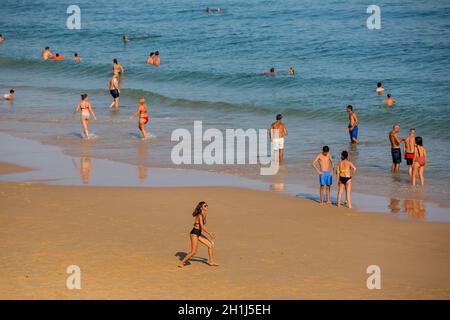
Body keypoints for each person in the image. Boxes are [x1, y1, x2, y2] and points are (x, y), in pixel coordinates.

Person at [178, 201, 219, 268]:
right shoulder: (199, 215)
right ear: (201, 208)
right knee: (194, 251)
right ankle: (181, 262)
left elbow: (203, 226)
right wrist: (209, 234)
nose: (207, 207)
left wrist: (210, 232)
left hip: (198, 233)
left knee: (210, 245)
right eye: (205, 206)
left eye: (207, 205)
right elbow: (202, 227)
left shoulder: (204, 214)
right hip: (194, 233)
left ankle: (211, 261)